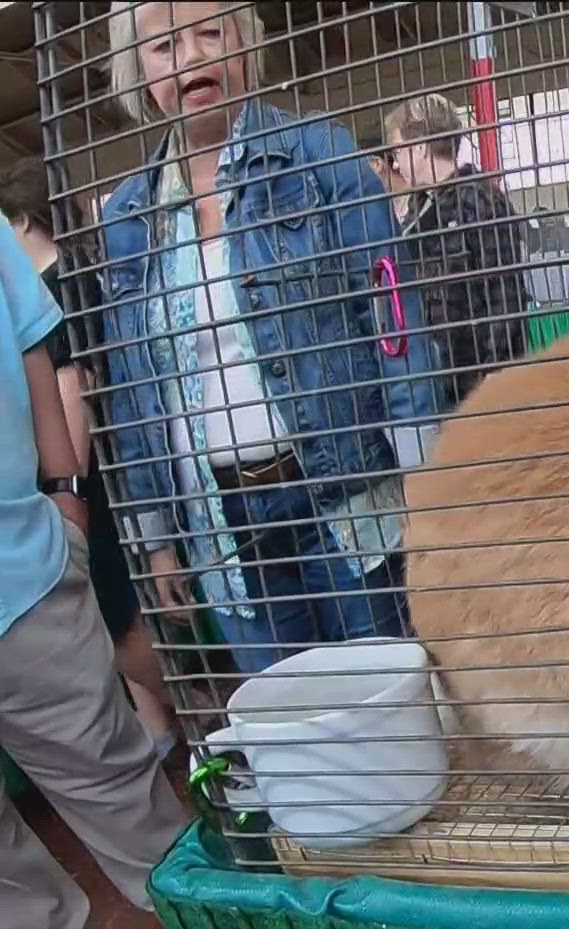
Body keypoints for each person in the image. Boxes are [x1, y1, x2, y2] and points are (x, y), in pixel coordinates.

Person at [97, 1, 445, 676]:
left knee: (388, 695)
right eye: (164, 47)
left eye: (209, 34)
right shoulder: (126, 218)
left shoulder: (319, 156)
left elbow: (394, 324)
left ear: (245, 45)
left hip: (344, 493)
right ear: (138, 73)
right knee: (287, 714)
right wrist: (158, 540)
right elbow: (133, 391)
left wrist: (424, 481)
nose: (192, 57)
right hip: (221, 521)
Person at [1, 215, 190, 929]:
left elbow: (37, 345)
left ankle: (209, 925)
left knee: (112, 773)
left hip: (18, 571)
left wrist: (64, 492)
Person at [0, 161, 179, 757]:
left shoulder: (59, 283)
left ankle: (195, 707)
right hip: (77, 485)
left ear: (20, 219)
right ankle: (168, 727)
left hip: (90, 486)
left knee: (116, 620)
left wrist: (67, 492)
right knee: (113, 620)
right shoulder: (61, 279)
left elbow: (74, 387)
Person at [383, 93, 530, 401]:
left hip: (480, 378)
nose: (395, 163)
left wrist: (494, 370)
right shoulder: (420, 207)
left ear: (420, 147)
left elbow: (505, 291)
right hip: (440, 375)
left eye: (398, 150)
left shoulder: (479, 199)